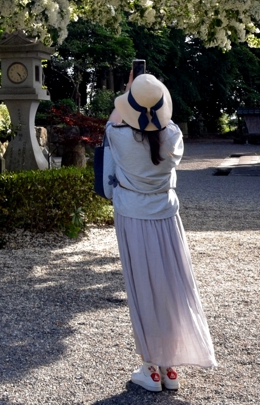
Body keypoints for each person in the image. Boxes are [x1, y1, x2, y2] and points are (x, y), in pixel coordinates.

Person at [106, 70, 216, 392]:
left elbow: (115, 118)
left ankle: (150, 367)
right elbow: (162, 124)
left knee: (143, 288)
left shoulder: (119, 136)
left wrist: (130, 91)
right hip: (167, 218)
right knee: (170, 288)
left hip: (133, 216)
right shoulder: (173, 137)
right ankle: (169, 368)